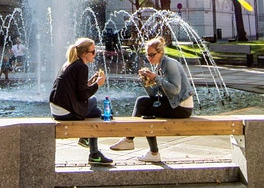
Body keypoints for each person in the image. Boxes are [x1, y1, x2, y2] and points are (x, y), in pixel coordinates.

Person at [108, 37, 195, 162]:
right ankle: (132, 141)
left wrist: (157, 78)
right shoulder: (158, 66)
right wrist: (145, 81)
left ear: (160, 53)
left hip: (181, 107)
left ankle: (144, 148)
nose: (149, 58)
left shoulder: (169, 64)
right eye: (147, 55)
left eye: (152, 55)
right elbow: (155, 95)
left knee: (147, 110)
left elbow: (176, 89)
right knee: (142, 101)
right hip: (172, 103)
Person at [49, 36, 114, 167]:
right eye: (93, 52)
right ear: (84, 54)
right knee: (94, 101)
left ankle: (91, 148)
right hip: (65, 111)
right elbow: (83, 95)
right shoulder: (81, 67)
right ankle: (92, 150)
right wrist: (97, 84)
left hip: (57, 109)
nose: (95, 54)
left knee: (96, 112)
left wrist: (90, 81)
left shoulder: (71, 63)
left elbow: (78, 89)